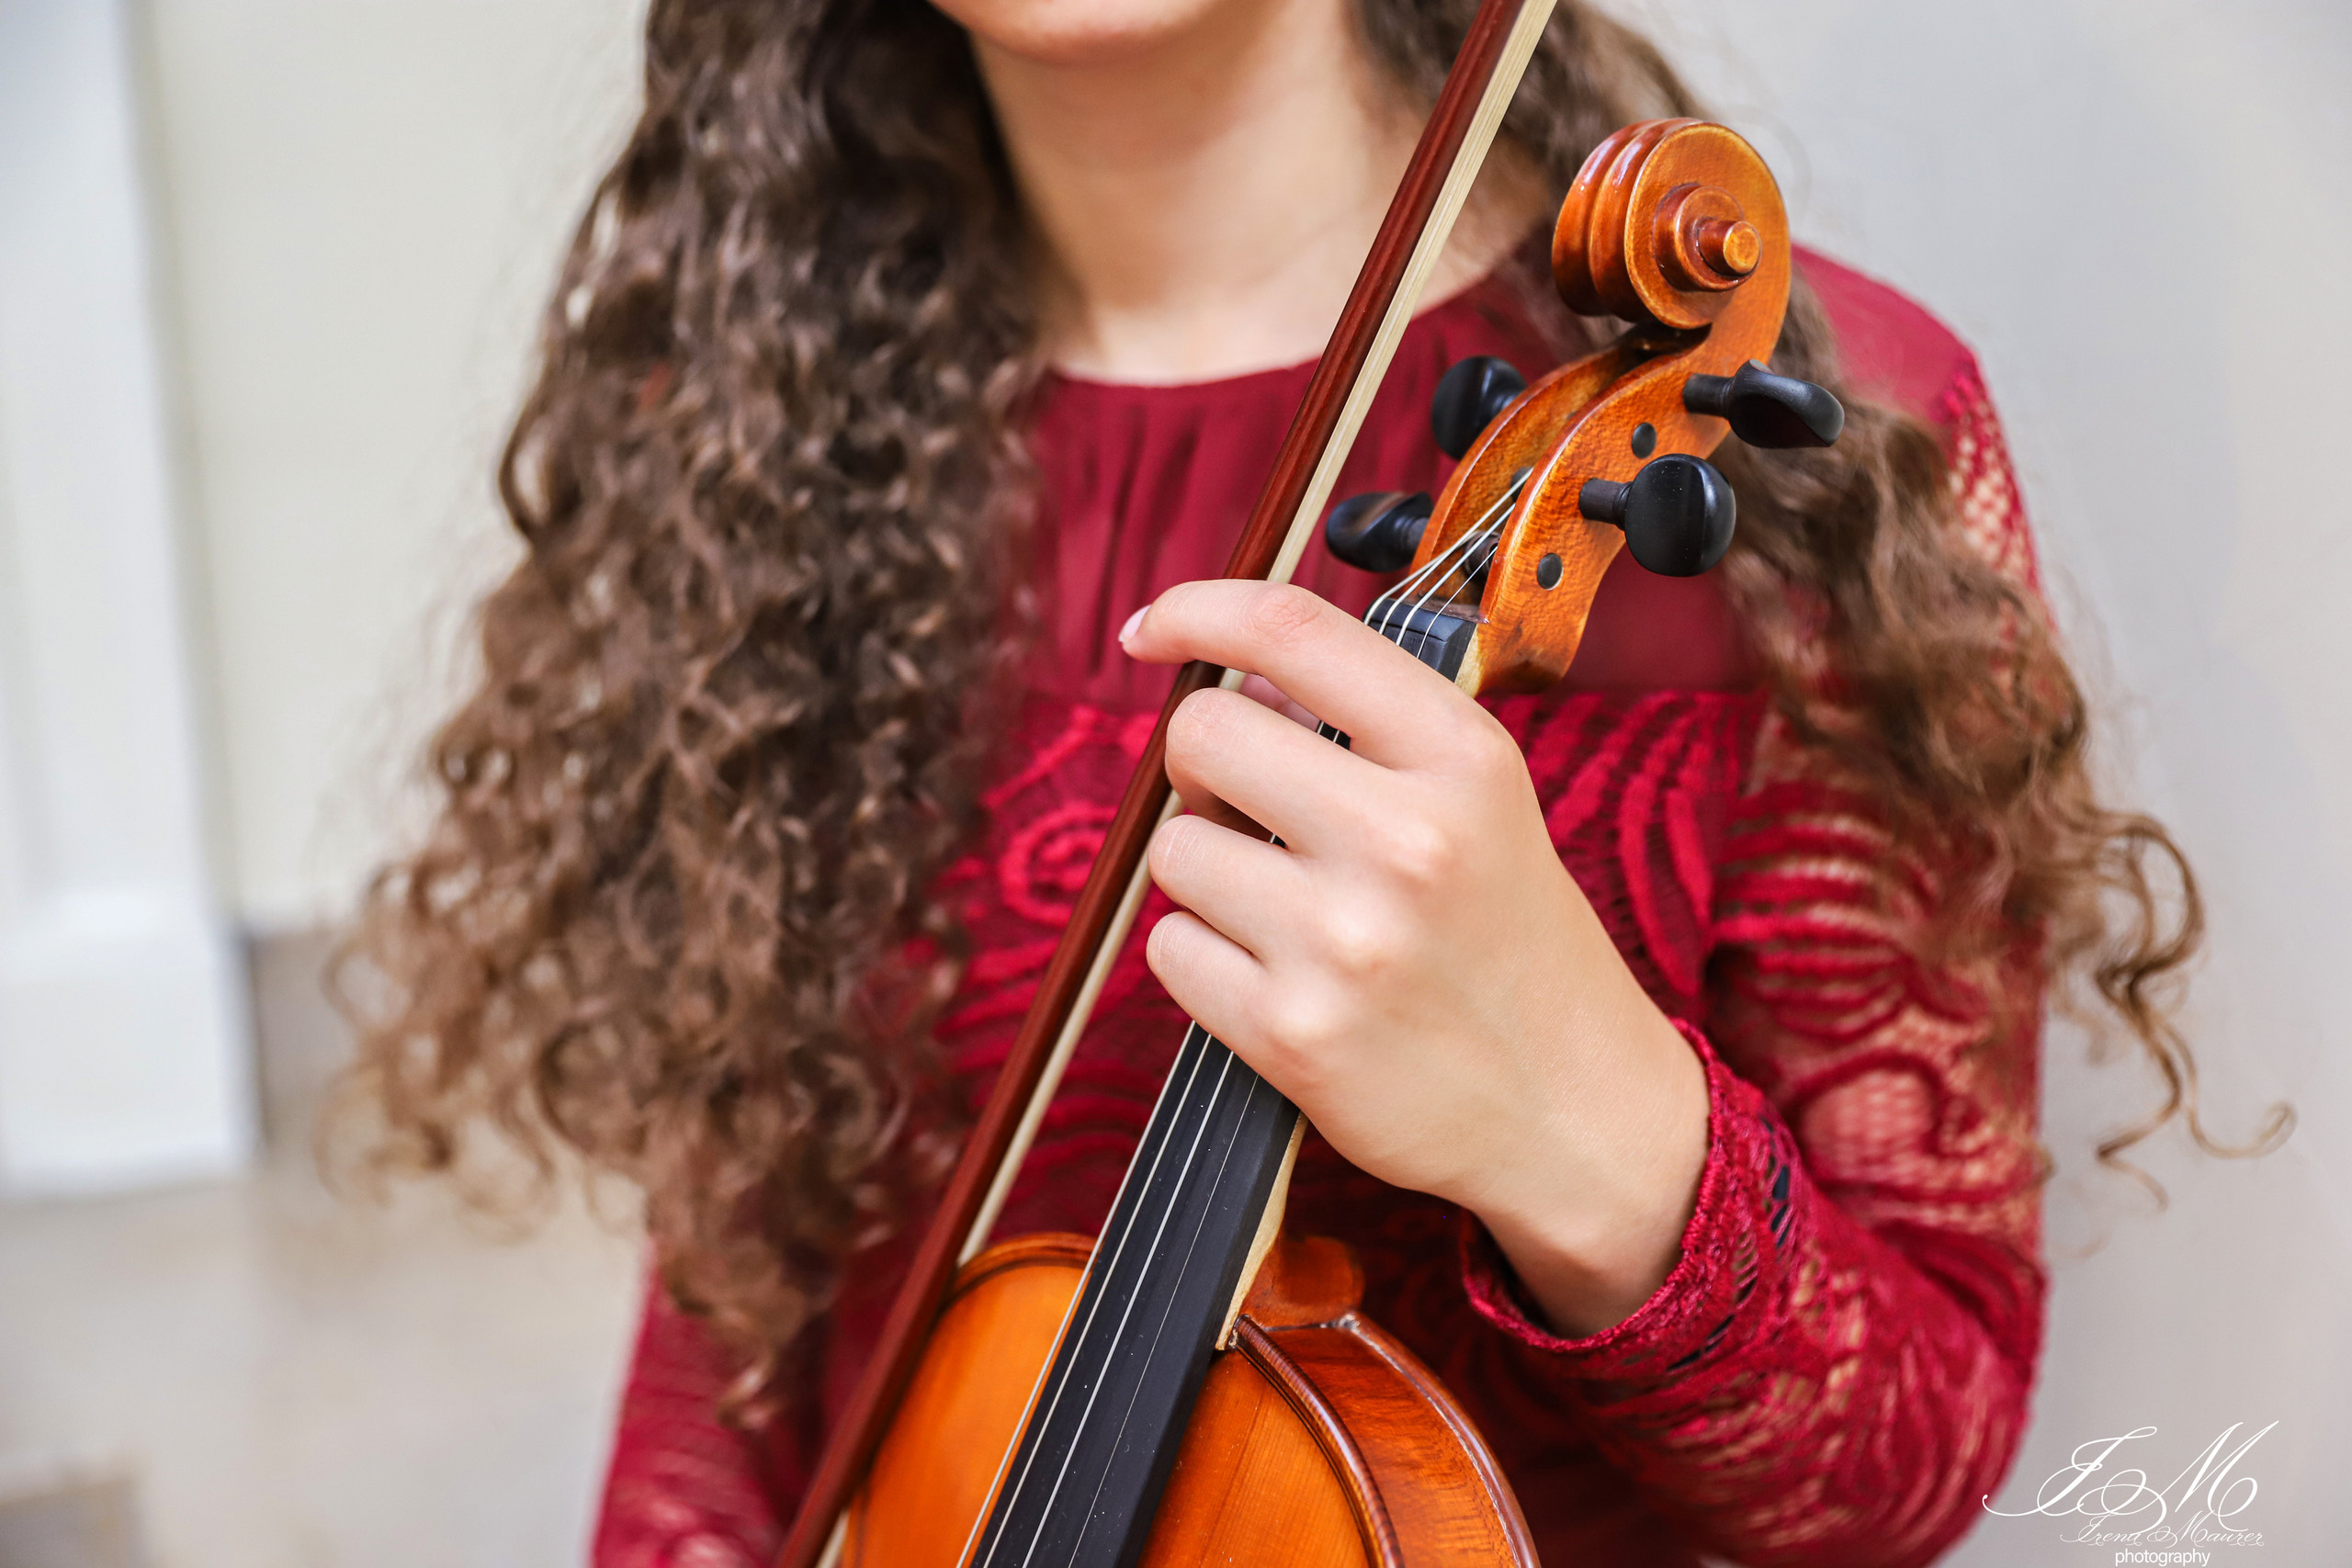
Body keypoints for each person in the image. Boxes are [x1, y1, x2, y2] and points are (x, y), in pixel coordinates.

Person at [334, 2, 2258, 1563]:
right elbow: (744, 1307)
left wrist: (1582, 1112)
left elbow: (1901, 1470)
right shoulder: (750, 437)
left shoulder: (1812, 464)